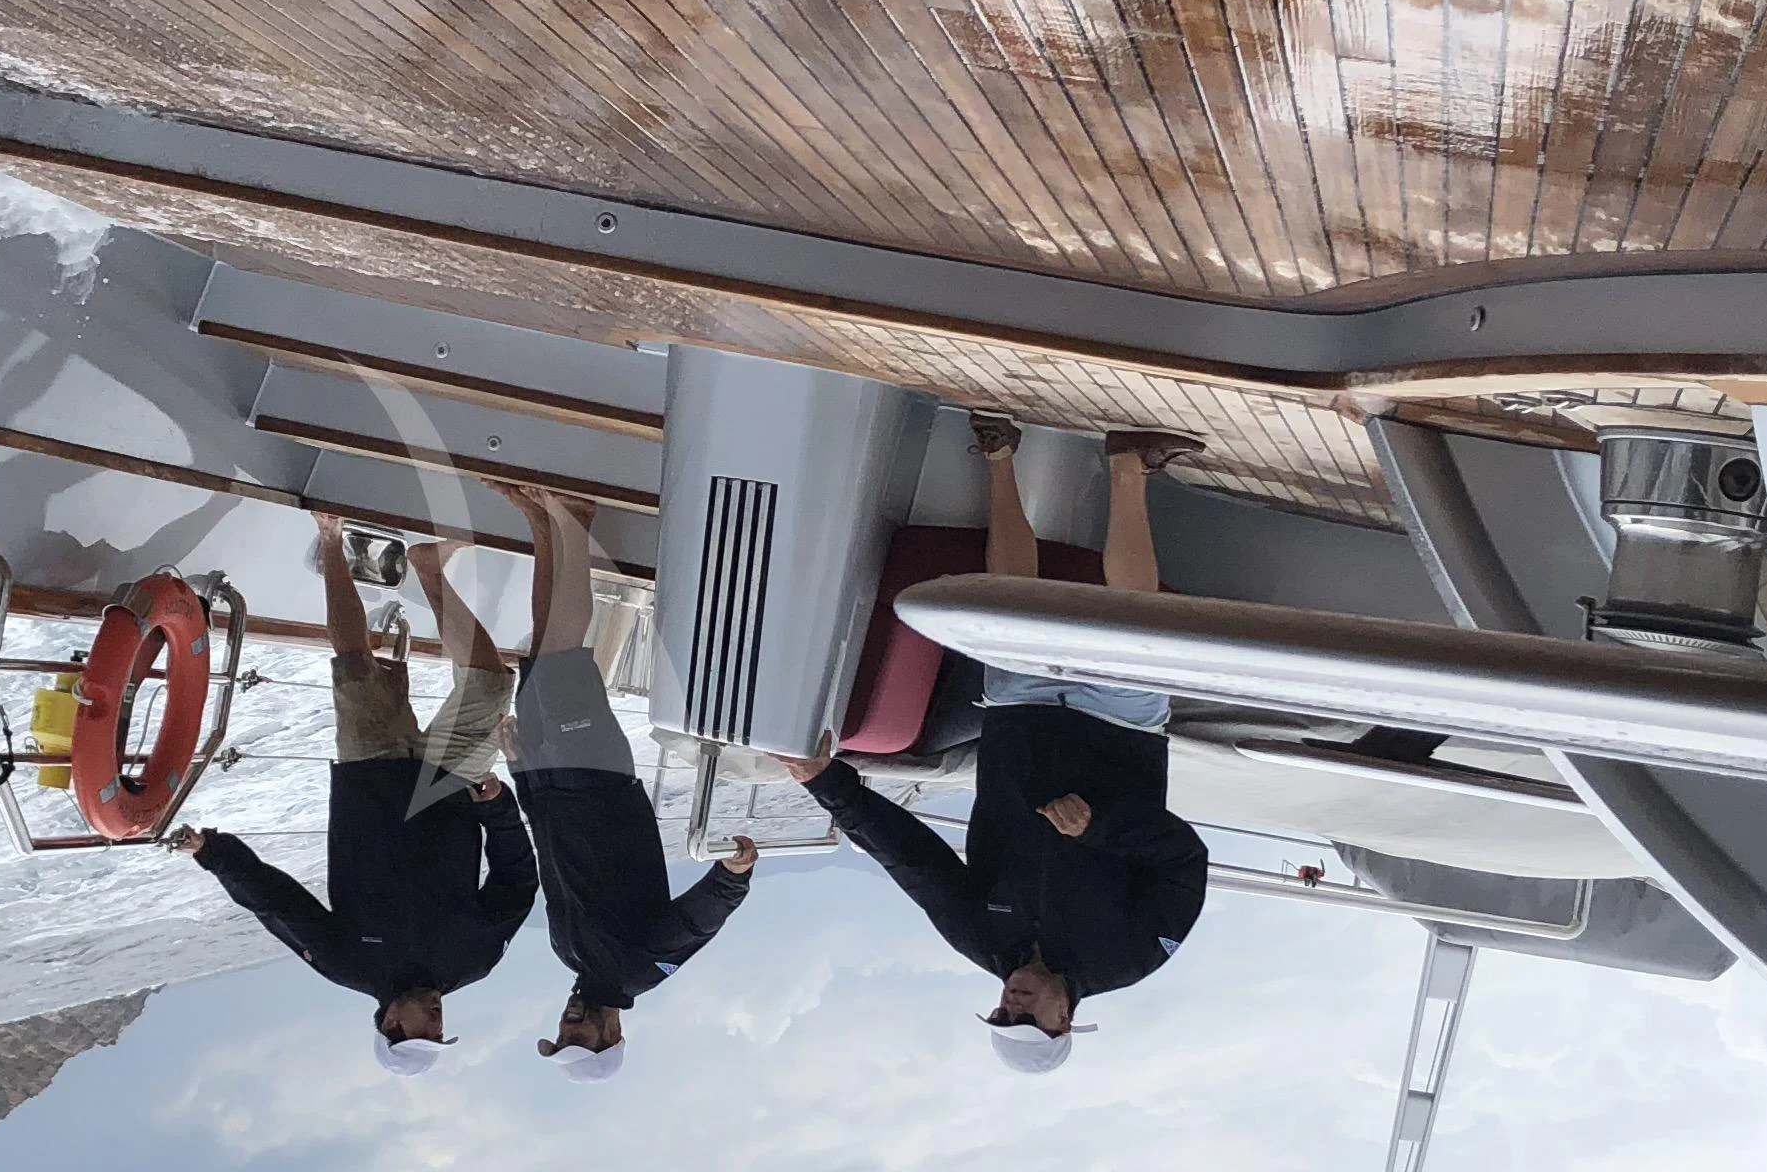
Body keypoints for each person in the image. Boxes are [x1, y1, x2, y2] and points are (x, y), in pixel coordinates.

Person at [798, 417, 1210, 1069]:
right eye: (1028, 1020)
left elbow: (913, 863)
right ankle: (1130, 468)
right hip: (1123, 734)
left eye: (1001, 1016)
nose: (1012, 1005)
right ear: (1064, 1022)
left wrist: (826, 785)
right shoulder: (1131, 957)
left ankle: (998, 453)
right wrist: (1100, 827)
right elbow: (1185, 861)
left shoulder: (982, 939)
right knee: (1138, 618)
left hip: (1020, 722)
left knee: (1009, 603)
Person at [173, 515, 535, 1072]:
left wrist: (215, 855)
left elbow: (279, 904)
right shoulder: (475, 961)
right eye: (441, 1033)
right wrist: (499, 812)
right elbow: (517, 885)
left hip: (374, 776)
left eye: (423, 1033)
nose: (436, 1024)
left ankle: (330, 540)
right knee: (490, 682)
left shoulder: (348, 965)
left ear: (391, 1025)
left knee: (356, 665)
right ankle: (429, 570)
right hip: (453, 783)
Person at [457, 481, 755, 1075]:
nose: (568, 1028)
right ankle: (573, 522)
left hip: (551, 780)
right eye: (582, 1039)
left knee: (542, 653)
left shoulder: (570, 955)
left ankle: (545, 525)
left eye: (560, 1037)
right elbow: (696, 925)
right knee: (565, 652)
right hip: (597, 781)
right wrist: (732, 878)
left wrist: (520, 772)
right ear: (612, 1035)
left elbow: (552, 858)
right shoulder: (641, 968)